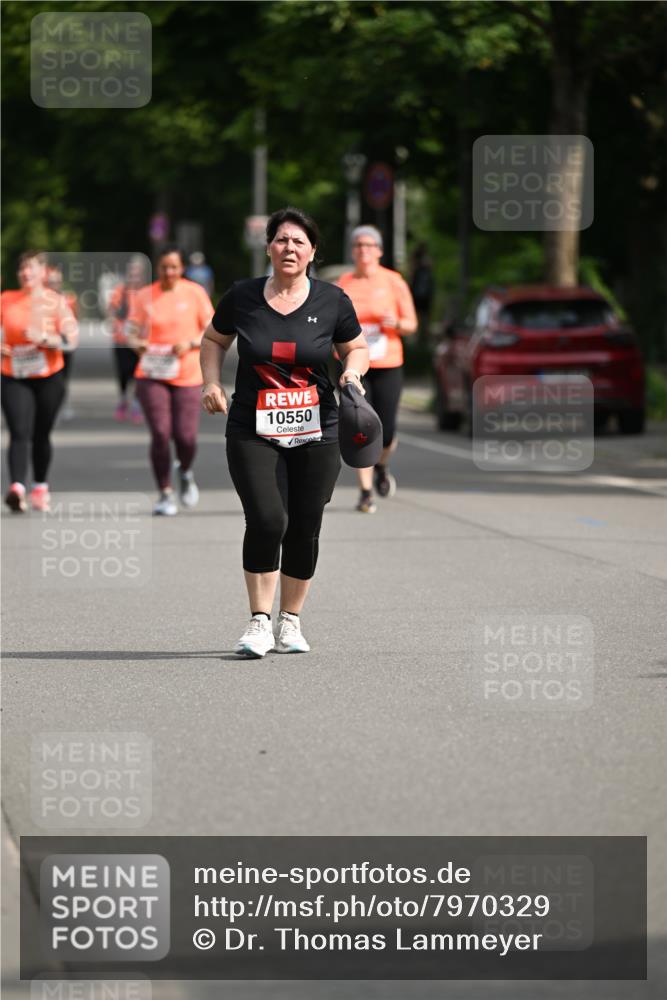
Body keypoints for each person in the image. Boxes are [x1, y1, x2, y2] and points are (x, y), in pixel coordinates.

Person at [200, 206, 369, 658]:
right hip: (252, 426)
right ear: (268, 247)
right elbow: (214, 339)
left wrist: (352, 374)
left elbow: (355, 348)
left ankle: (290, 622)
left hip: (318, 428)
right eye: (281, 239)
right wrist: (211, 382)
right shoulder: (243, 296)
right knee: (268, 518)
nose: (289, 247)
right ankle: (259, 621)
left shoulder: (332, 300)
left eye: (298, 241)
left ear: (312, 251)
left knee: (305, 523)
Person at [126, 245, 213, 515]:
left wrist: (189, 343)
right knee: (161, 434)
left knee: (185, 437)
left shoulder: (194, 293)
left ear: (182, 268)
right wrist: (136, 343)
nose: (169, 272)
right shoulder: (144, 296)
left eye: (174, 267)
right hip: (151, 373)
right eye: (164, 267)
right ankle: (164, 492)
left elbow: (212, 329)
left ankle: (185, 471)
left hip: (186, 373)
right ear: (157, 268)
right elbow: (129, 329)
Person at [337, 225, 417, 513]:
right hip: (354, 367)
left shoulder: (393, 282)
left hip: (388, 362)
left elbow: (411, 324)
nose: (363, 250)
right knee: (360, 426)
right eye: (358, 245)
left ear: (380, 251)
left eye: (370, 245)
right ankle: (365, 490)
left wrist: (396, 323)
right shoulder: (344, 283)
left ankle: (381, 466)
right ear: (352, 250)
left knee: (388, 430)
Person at [1, 250, 78, 512]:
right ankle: (16, 488)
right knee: (19, 431)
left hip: (49, 377)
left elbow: (71, 340)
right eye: (22, 269)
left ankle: (40, 486)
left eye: (31, 268)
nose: (25, 273)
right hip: (14, 375)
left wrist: (45, 339)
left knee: (41, 433)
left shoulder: (55, 301)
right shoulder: (6, 300)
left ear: (42, 272)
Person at [107, 256, 148, 423]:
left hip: (140, 342)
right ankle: (124, 400)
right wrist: (114, 323)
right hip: (122, 340)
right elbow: (111, 310)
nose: (134, 276)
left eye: (137, 273)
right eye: (132, 272)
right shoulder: (120, 290)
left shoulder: (147, 292)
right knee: (123, 373)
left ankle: (137, 404)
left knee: (138, 373)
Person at [46, 264, 78, 421]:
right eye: (51, 281)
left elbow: (74, 321)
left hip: (64, 344)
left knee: (63, 377)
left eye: (57, 281)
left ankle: (62, 404)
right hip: (46, 345)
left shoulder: (69, 298)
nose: (54, 284)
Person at [409, 242, 434, 343]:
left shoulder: (423, 266)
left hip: (423, 294)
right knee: (420, 317)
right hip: (419, 294)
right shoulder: (418, 266)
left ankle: (423, 338)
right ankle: (418, 338)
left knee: (423, 317)